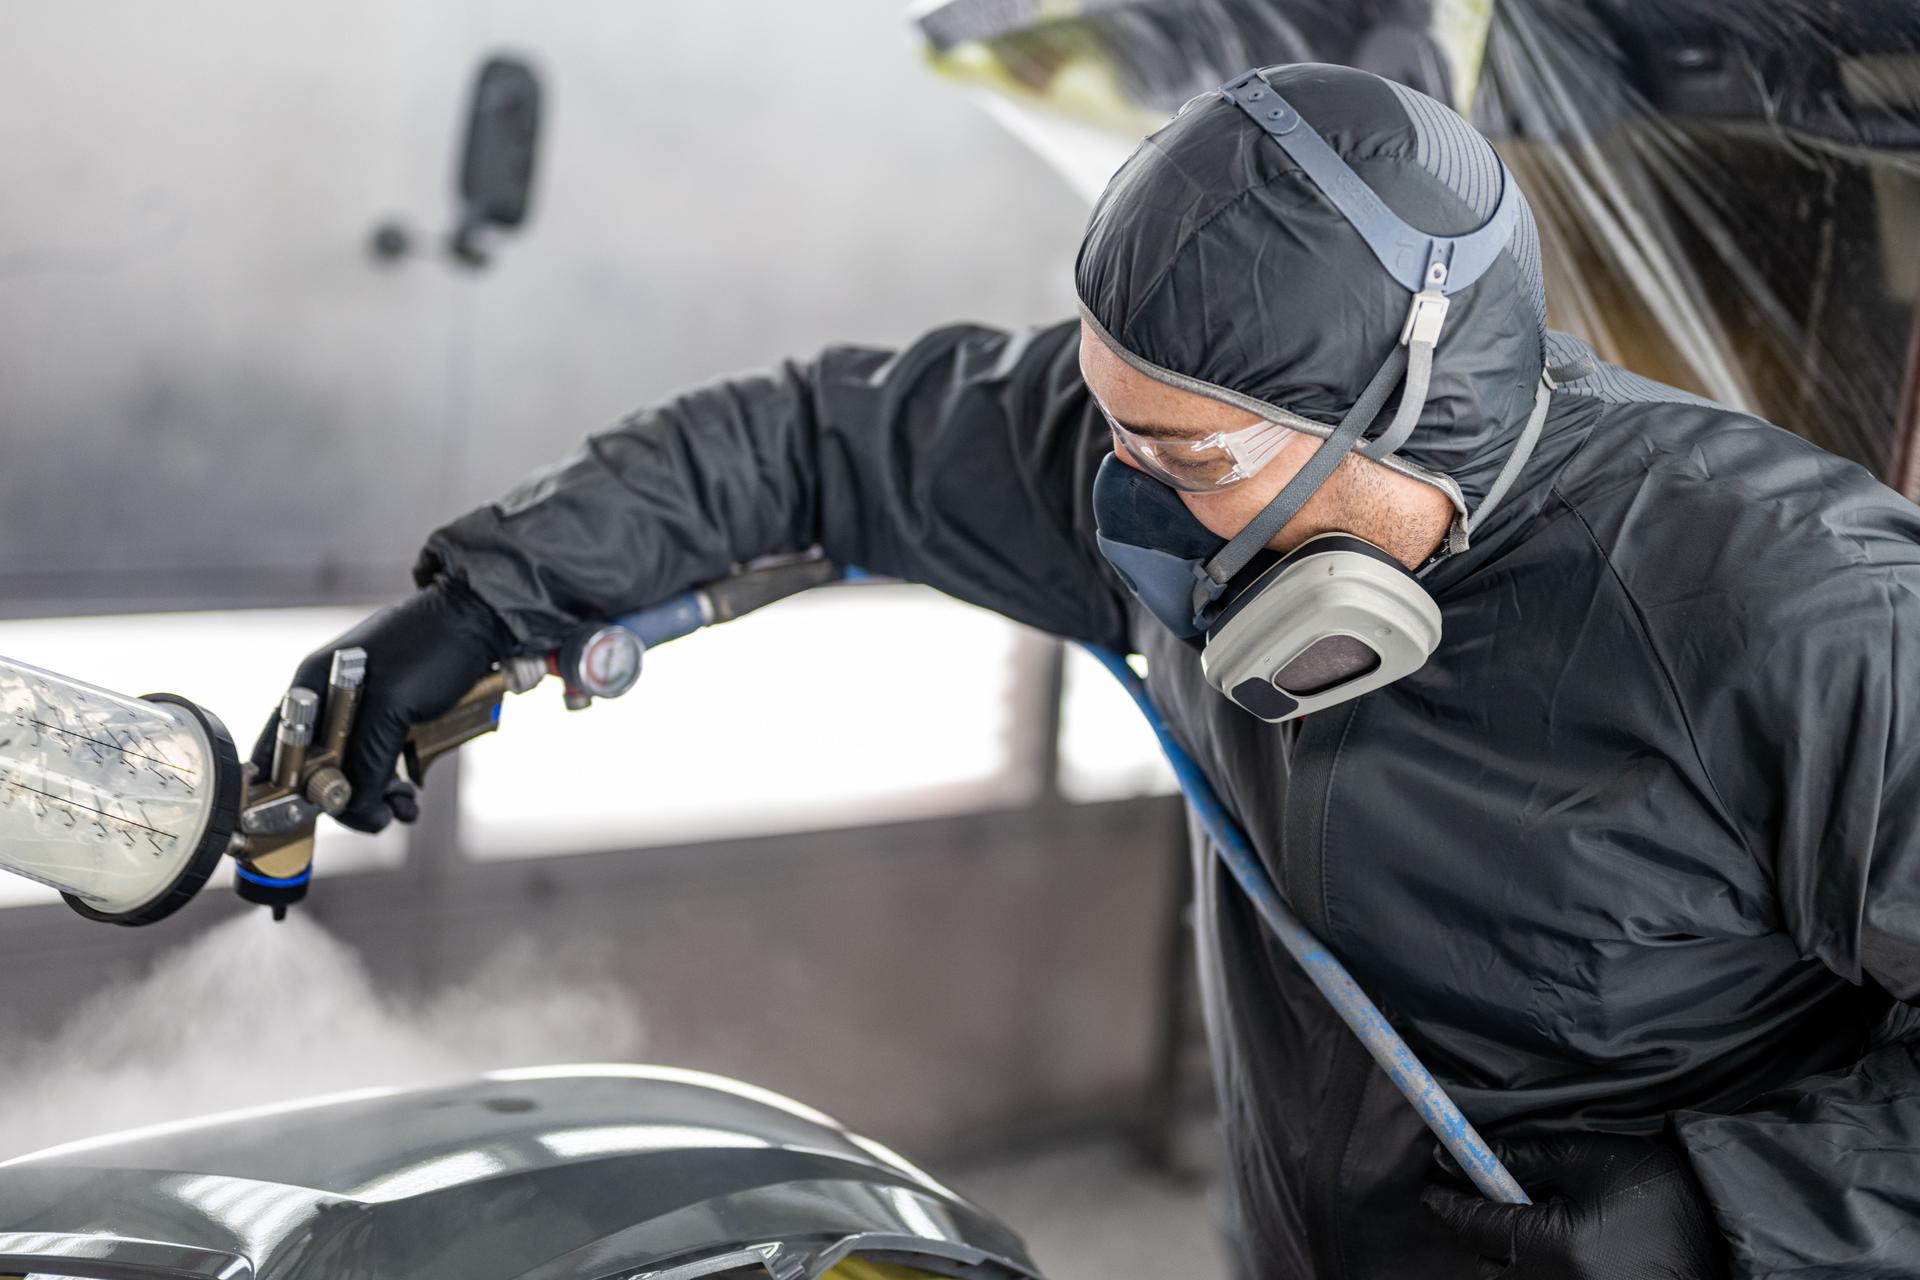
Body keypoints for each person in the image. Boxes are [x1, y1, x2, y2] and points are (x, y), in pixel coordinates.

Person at [258, 63, 1920, 1279]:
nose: (1124, 503)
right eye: (1109, 423)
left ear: (1401, 406)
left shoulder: (1791, 610)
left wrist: (1733, 1219)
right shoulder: (1160, 464)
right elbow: (818, 441)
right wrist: (483, 599)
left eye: (1182, 454)